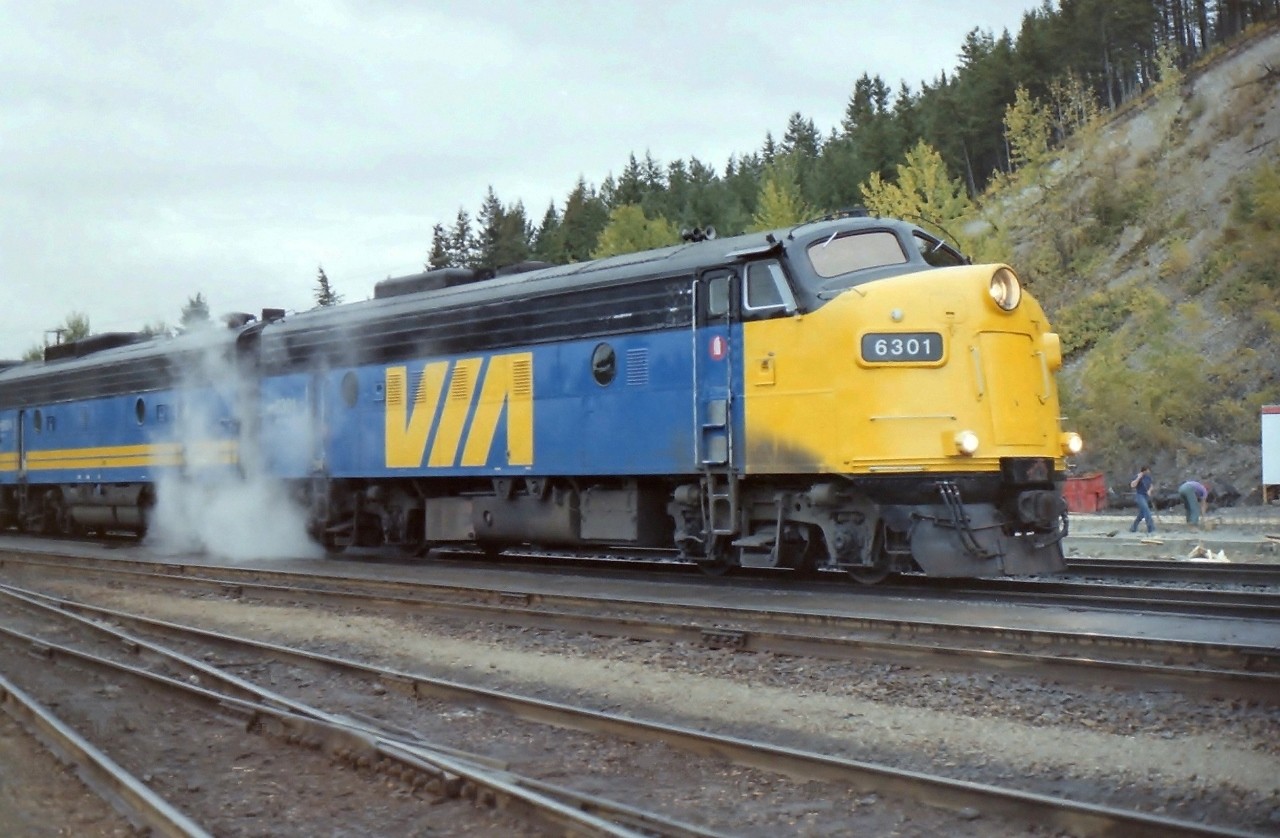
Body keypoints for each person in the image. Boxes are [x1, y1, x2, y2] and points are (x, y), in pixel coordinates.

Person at [1129, 465, 1155, 534]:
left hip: (1146, 496)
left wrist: (1149, 490)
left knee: (1141, 514)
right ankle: (1151, 529)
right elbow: (1132, 485)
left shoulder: (1148, 477)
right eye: (1148, 470)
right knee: (1147, 511)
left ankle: (1133, 528)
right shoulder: (1138, 476)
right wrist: (1138, 478)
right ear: (1144, 471)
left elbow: (1151, 485)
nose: (1149, 472)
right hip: (1140, 496)